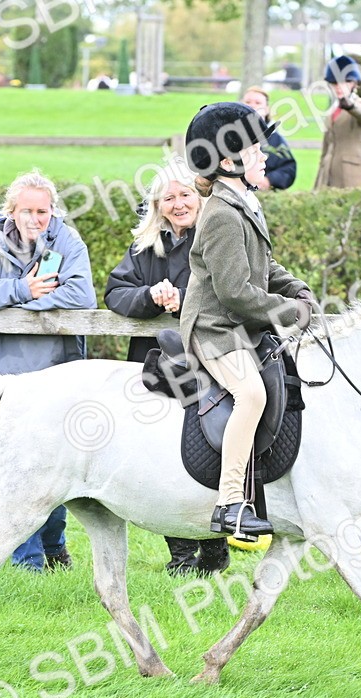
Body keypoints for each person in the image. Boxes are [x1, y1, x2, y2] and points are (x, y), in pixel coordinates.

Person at [181, 102, 317, 540]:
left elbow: (265, 267)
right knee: (252, 394)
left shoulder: (245, 203)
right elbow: (235, 292)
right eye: (255, 149)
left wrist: (297, 289)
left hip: (241, 326)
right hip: (214, 329)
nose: (264, 156)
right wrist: (289, 312)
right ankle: (230, 504)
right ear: (227, 162)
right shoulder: (221, 214)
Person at [0, 170, 97, 572]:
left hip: (56, 374)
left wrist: (17, 306)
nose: (35, 219)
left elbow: (82, 294)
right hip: (5, 375)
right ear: (11, 211)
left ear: (53, 212)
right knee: (17, 471)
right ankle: (28, 562)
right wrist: (21, 290)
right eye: (27, 211)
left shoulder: (67, 241)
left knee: (56, 469)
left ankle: (54, 545)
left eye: (42, 212)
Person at [104, 163, 230, 575]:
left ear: (200, 198)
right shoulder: (146, 247)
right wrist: (150, 296)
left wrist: (186, 299)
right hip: (156, 363)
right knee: (159, 453)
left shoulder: (216, 234)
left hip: (209, 358)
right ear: (158, 205)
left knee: (209, 440)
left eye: (185, 195)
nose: (178, 204)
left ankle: (214, 543)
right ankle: (181, 553)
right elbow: (115, 292)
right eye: (168, 198)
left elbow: (231, 290)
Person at [313, 55, 361, 190]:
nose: (338, 87)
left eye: (344, 82)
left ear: (354, 83)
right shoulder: (331, 112)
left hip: (353, 177)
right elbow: (325, 150)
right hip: (328, 177)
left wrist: (350, 105)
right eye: (335, 83)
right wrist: (317, 185)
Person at [240, 86, 297, 191]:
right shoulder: (230, 135)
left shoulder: (276, 140)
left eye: (258, 103)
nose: (252, 106)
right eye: (248, 102)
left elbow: (288, 169)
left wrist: (268, 180)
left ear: (266, 109)